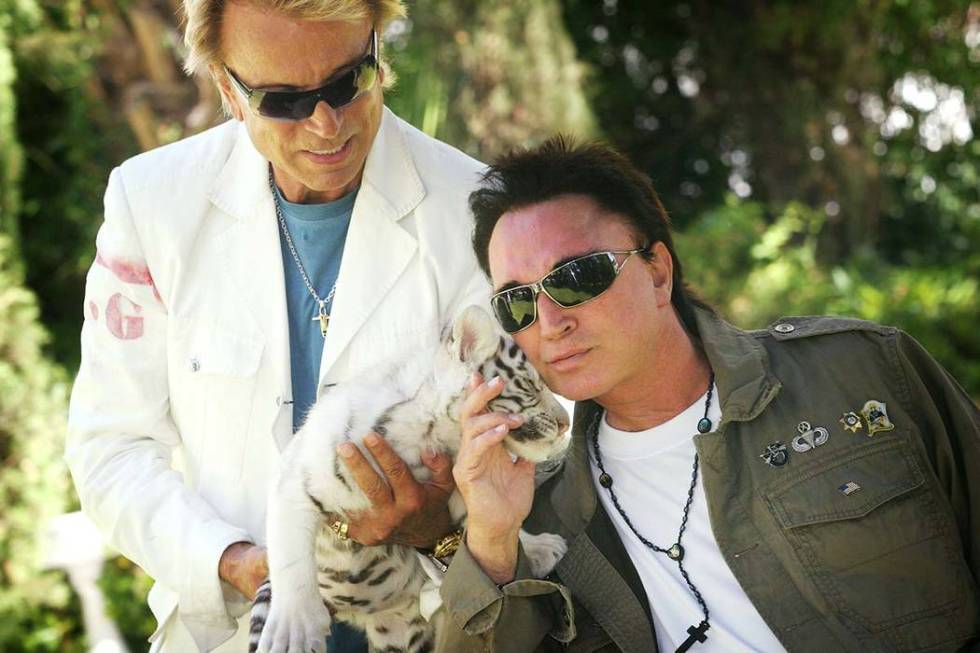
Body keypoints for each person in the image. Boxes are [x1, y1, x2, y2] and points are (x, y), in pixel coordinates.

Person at [438, 136, 980, 652]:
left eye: (577, 276)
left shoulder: (861, 371)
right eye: (516, 301)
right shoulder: (540, 512)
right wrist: (490, 542)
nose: (550, 322)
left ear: (657, 272)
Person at [65, 1, 488, 650]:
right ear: (227, 90)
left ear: (378, 47)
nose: (326, 123)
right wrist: (236, 561)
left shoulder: (476, 211)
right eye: (285, 101)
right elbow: (110, 448)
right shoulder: (150, 204)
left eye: (348, 81)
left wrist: (438, 525)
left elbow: (539, 443)